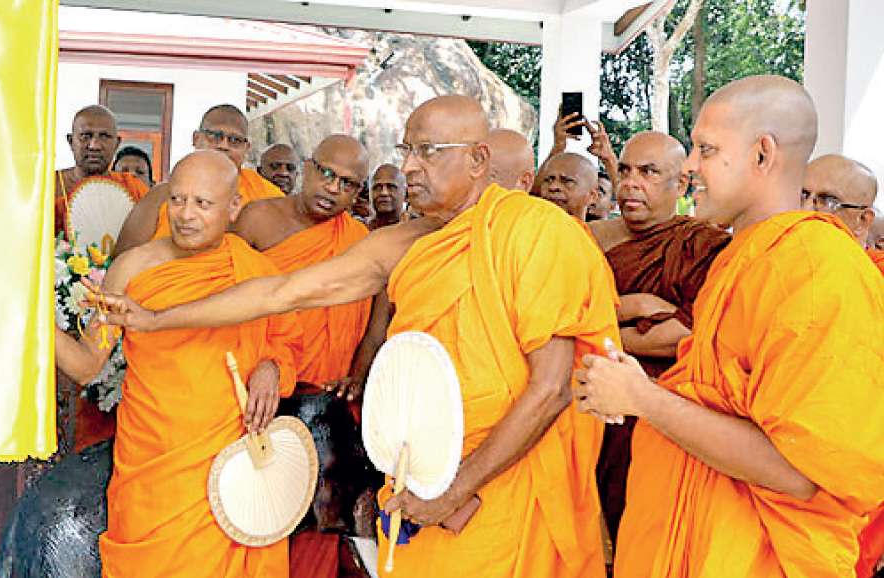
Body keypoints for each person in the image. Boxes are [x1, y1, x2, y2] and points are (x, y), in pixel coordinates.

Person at [92, 95, 621, 578]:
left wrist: (458, 488)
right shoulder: (406, 242)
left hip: (501, 483)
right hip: (425, 480)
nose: (410, 167)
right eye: (407, 150)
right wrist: (158, 319)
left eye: (428, 152)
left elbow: (551, 388)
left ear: (479, 161)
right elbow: (284, 293)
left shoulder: (538, 232)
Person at [576, 75, 884, 578]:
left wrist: (644, 399)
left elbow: (799, 471)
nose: (691, 166)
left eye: (706, 149)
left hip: (757, 557)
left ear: (763, 154)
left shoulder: (818, 268)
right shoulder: (741, 258)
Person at [56, 150, 302, 577]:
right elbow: (87, 364)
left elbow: (286, 342)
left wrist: (271, 367)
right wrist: (30, 318)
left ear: (234, 207)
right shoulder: (133, 268)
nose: (186, 215)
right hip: (155, 463)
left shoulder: (255, 272)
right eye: (177, 199)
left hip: (231, 460)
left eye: (203, 204)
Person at [220, 135, 376, 578]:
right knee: (249, 513)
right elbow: (223, 297)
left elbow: (375, 317)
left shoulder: (358, 241)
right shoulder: (256, 220)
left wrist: (358, 372)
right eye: (326, 173)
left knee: (316, 523)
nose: (332, 188)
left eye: (347, 183)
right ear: (308, 166)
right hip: (254, 395)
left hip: (323, 406)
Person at [586, 130, 731, 548]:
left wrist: (597, 335)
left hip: (658, 411)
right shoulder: (592, 236)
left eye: (648, 172)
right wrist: (636, 307)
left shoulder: (702, 245)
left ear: (680, 184)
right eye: (626, 170)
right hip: (585, 405)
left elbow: (686, 333)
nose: (631, 183)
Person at [113, 104, 284, 254]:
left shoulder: (268, 197)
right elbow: (124, 257)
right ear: (196, 138)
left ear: (246, 148)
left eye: (235, 140)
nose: (223, 145)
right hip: (166, 287)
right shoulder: (161, 195)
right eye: (215, 136)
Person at [56, 105, 149, 237]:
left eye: (104, 136)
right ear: (71, 142)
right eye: (85, 136)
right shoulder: (48, 186)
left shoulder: (133, 188)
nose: (94, 145)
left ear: (117, 144)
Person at [802, 154, 882, 273]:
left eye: (828, 201)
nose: (805, 209)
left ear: (863, 220)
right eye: (803, 195)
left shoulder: (874, 276)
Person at [534, 152, 599, 221]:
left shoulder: (595, 231)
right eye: (548, 180)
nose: (553, 187)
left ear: (592, 196)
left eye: (567, 181)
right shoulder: (526, 228)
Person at [367, 163, 407, 230]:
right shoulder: (361, 230)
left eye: (391, 187)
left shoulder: (417, 229)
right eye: (378, 187)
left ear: (405, 193)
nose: (383, 193)